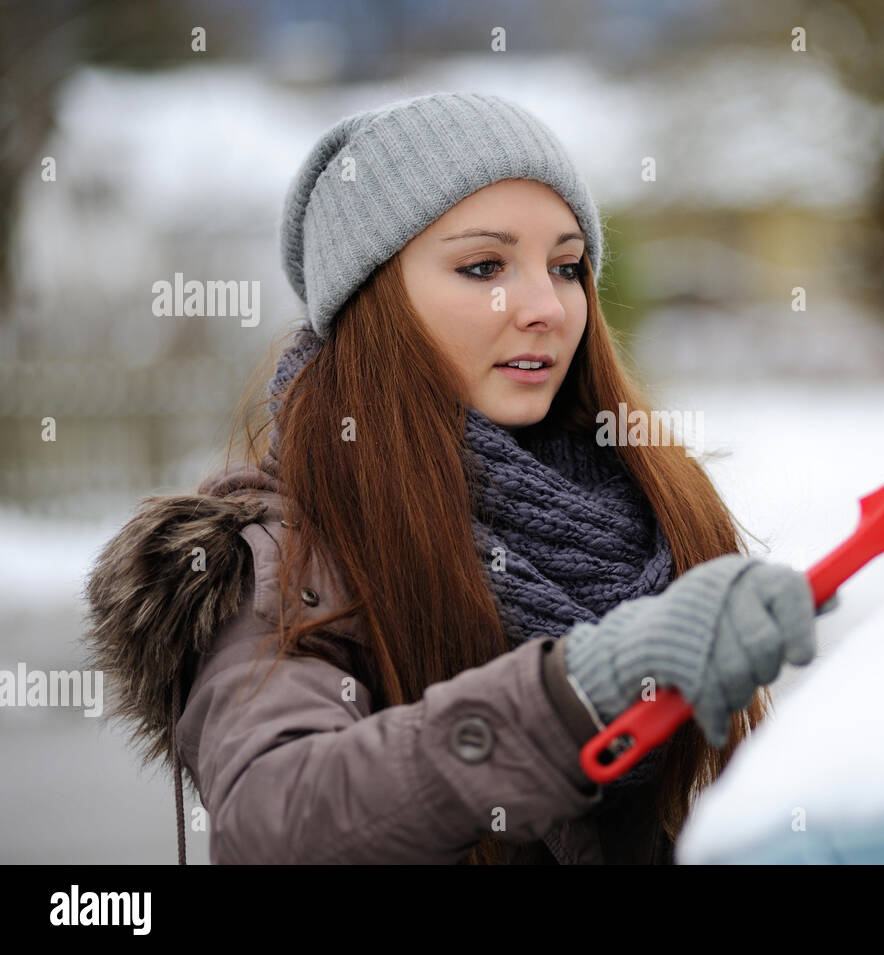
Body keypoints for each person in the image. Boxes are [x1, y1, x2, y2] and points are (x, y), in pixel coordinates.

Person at [81, 91, 816, 865]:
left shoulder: (654, 512)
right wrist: (576, 690)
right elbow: (278, 815)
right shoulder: (278, 560)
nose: (546, 307)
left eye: (567, 267)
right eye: (484, 266)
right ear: (374, 305)